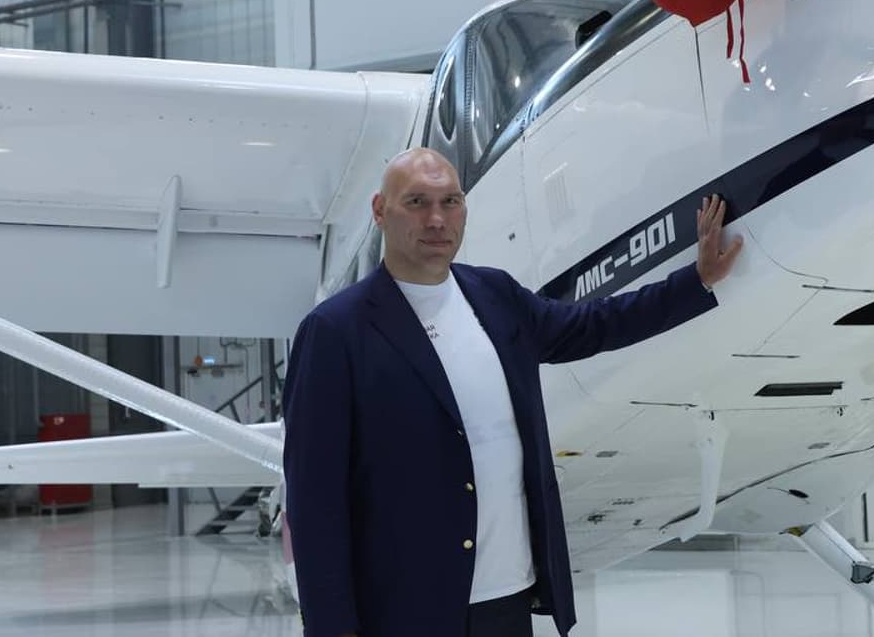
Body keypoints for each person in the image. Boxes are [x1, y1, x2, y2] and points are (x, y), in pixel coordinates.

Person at [282, 148, 743, 637]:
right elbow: (315, 498)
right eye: (417, 202)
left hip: (506, 599)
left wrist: (695, 282)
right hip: (402, 609)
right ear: (380, 210)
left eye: (450, 201)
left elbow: (593, 325)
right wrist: (333, 627)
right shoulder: (335, 331)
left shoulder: (495, 297)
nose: (437, 219)